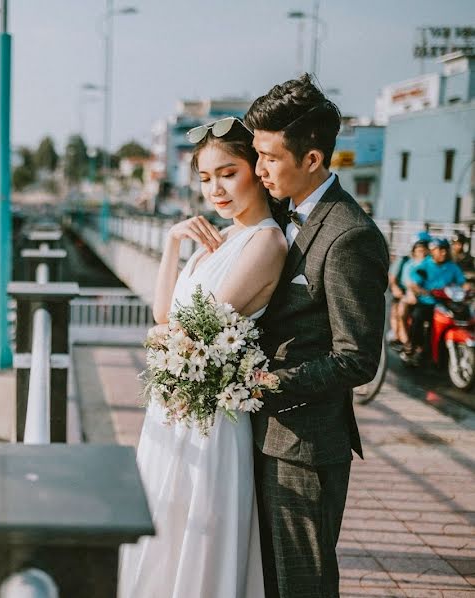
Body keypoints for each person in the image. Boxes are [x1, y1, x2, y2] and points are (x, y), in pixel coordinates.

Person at [118, 115, 286, 597]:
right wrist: (173, 242)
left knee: (197, 531)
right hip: (175, 408)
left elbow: (187, 329)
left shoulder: (266, 241)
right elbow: (163, 311)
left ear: (256, 169)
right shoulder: (218, 239)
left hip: (210, 420)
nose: (216, 189)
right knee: (164, 522)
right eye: (207, 178)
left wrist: (165, 333)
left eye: (228, 173)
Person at [246, 74, 389, 597]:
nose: (259, 170)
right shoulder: (276, 214)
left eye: (269, 157)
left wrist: (266, 382)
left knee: (301, 583)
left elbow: (356, 359)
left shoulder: (350, 236)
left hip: (305, 447)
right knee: (264, 577)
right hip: (259, 432)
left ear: (312, 160)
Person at [405, 238, 466, 363]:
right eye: (440, 250)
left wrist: (467, 289)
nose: (443, 253)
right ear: (433, 251)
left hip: (445, 304)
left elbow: (463, 283)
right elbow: (414, 283)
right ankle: (415, 346)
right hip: (427, 302)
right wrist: (421, 290)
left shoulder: (452, 267)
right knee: (418, 317)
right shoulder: (425, 265)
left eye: (445, 250)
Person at [390, 238, 430, 349]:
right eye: (419, 250)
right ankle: (405, 340)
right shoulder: (409, 265)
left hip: (427, 298)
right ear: (414, 252)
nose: (422, 253)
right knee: (401, 311)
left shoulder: (430, 264)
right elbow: (408, 283)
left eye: (424, 250)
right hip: (410, 295)